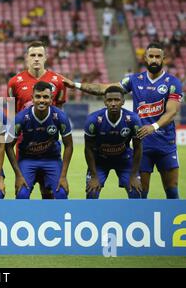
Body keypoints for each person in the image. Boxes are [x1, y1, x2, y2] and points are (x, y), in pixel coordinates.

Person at [64, 42, 183, 199]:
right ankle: (144, 223)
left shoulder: (172, 82)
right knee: (142, 192)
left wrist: (153, 126)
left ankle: (174, 224)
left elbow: (172, 111)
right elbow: (105, 89)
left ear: (163, 59)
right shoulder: (134, 80)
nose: (154, 60)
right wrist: (77, 85)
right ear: (145, 58)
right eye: (151, 56)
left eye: (157, 57)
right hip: (143, 144)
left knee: (172, 189)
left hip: (166, 143)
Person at [7, 41, 68, 199]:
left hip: (49, 145)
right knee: (23, 190)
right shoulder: (14, 82)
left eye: (40, 55)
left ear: (46, 57)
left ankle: (50, 222)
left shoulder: (58, 81)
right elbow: (10, 114)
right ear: (26, 58)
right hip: (25, 146)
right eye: (32, 55)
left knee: (49, 191)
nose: (36, 59)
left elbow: (59, 112)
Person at [6, 81, 73, 199]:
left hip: (51, 159)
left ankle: (55, 217)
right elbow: (8, 146)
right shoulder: (21, 118)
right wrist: (18, 175)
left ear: (52, 98)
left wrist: (63, 176)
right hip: (28, 160)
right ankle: (24, 217)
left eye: (46, 97)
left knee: (61, 193)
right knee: (21, 194)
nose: (42, 100)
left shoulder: (60, 116)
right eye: (38, 96)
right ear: (32, 98)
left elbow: (69, 145)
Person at [84, 86, 143, 199]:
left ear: (123, 101)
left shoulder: (133, 120)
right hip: (100, 161)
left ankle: (135, 217)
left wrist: (134, 175)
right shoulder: (93, 120)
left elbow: (138, 147)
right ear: (105, 102)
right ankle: (90, 216)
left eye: (117, 100)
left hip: (124, 160)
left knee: (136, 191)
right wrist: (94, 176)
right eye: (110, 100)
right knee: (92, 192)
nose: (113, 103)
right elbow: (88, 149)